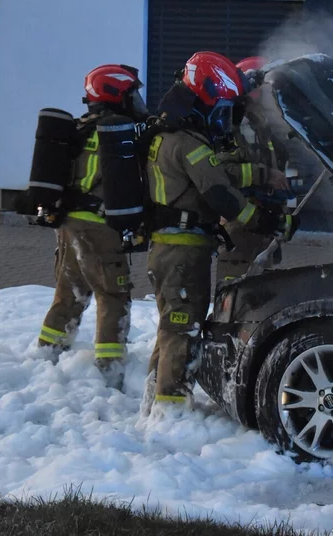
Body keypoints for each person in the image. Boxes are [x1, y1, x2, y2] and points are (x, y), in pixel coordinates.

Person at [140, 51, 299, 417]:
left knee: (172, 328)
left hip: (174, 247)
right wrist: (269, 223)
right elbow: (222, 195)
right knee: (182, 329)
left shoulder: (174, 135)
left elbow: (219, 181)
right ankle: (170, 415)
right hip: (182, 251)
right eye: (221, 107)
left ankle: (154, 402)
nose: (224, 116)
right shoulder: (189, 143)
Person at [37, 64, 150, 391]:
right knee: (113, 295)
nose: (137, 101)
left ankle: (47, 353)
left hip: (69, 224)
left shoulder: (79, 128)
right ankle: (110, 371)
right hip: (100, 226)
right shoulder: (115, 134)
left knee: (70, 292)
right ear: (116, 95)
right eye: (132, 94)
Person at [214, 56, 294, 283]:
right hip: (240, 226)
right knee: (234, 293)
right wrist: (266, 175)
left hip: (263, 224)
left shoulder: (260, 125)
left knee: (261, 295)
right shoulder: (230, 126)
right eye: (267, 89)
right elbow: (223, 172)